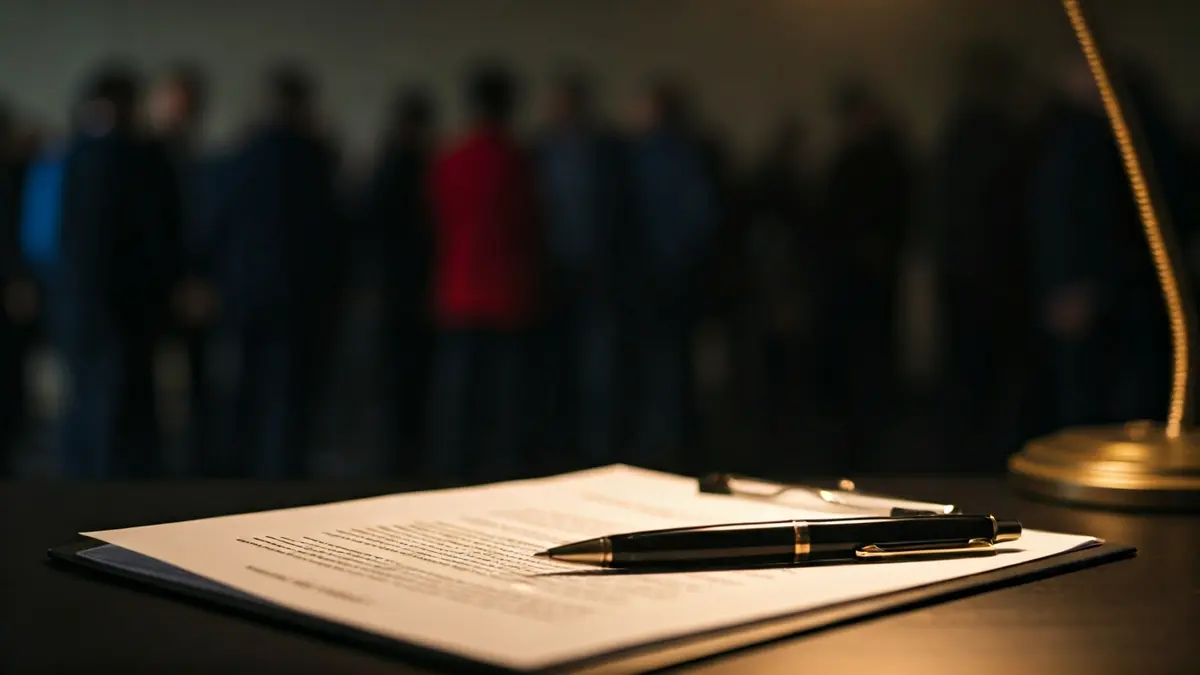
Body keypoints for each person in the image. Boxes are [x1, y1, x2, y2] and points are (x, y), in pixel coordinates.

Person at [210, 65, 341, 478]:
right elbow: (330, 231)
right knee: (291, 394)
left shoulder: (242, 154)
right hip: (300, 294)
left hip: (249, 290)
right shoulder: (316, 157)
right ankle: (284, 474)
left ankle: (241, 473)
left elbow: (219, 223)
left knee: (247, 386)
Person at [56, 65, 183, 478]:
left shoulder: (72, 155)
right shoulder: (137, 158)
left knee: (87, 405)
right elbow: (155, 236)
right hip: (124, 307)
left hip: (81, 304)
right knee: (119, 411)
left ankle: (84, 494)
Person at [428, 62, 540, 482]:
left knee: (458, 401)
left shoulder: (452, 157)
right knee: (507, 402)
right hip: (509, 293)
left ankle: (453, 476)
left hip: (460, 289)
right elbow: (531, 224)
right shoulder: (520, 161)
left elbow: (437, 219)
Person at [932, 47, 1036, 467]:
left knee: (973, 377)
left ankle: (971, 458)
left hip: (969, 275)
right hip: (989, 278)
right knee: (985, 379)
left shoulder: (963, 133)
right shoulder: (996, 136)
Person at [532, 72, 627, 469]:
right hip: (556, 271)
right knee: (561, 364)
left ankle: (593, 449)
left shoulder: (601, 150)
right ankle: (564, 443)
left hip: (593, 271)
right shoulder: (544, 149)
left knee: (594, 365)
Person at [624, 79, 720, 470]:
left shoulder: (648, 157)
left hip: (658, 275)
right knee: (672, 364)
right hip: (672, 275)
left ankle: (663, 444)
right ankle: (674, 443)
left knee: (661, 363)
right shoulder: (685, 155)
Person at [821, 81, 913, 470]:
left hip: (865, 282)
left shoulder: (877, 161)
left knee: (868, 362)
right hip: (858, 283)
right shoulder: (870, 159)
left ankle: (867, 438)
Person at [147, 63, 221, 474]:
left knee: (198, 384)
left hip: (193, 285)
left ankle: (193, 466)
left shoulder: (202, 161)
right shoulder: (140, 159)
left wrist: (198, 280)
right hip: (155, 287)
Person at [363, 86, 438, 472]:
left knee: (393, 379)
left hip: (392, 288)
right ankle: (406, 458)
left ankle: (394, 460)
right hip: (419, 287)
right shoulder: (426, 166)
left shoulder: (386, 165)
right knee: (410, 381)